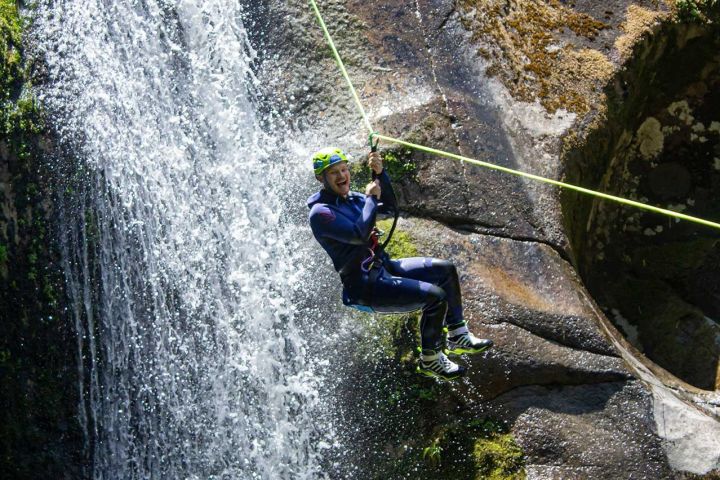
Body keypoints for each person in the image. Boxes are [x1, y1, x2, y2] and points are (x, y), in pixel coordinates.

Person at [307, 147, 493, 380]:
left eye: (343, 169)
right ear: (320, 178)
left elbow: (389, 206)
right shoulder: (321, 213)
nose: (341, 176)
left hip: (384, 268)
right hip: (364, 287)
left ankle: (458, 334)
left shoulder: (353, 199)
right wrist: (371, 199)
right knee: (435, 296)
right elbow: (359, 234)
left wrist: (380, 173)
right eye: (333, 172)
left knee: (445, 270)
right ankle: (431, 359)